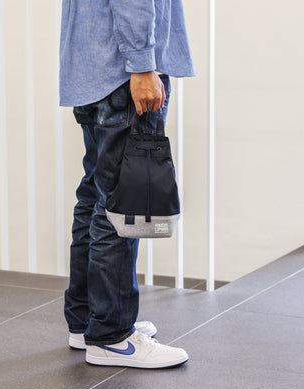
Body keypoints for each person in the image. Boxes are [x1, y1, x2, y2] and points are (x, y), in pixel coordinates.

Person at [59, 0, 196, 368]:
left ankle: (87, 321)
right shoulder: (135, 68)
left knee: (95, 198)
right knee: (118, 205)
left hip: (93, 71)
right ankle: (112, 335)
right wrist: (142, 65)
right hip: (123, 74)